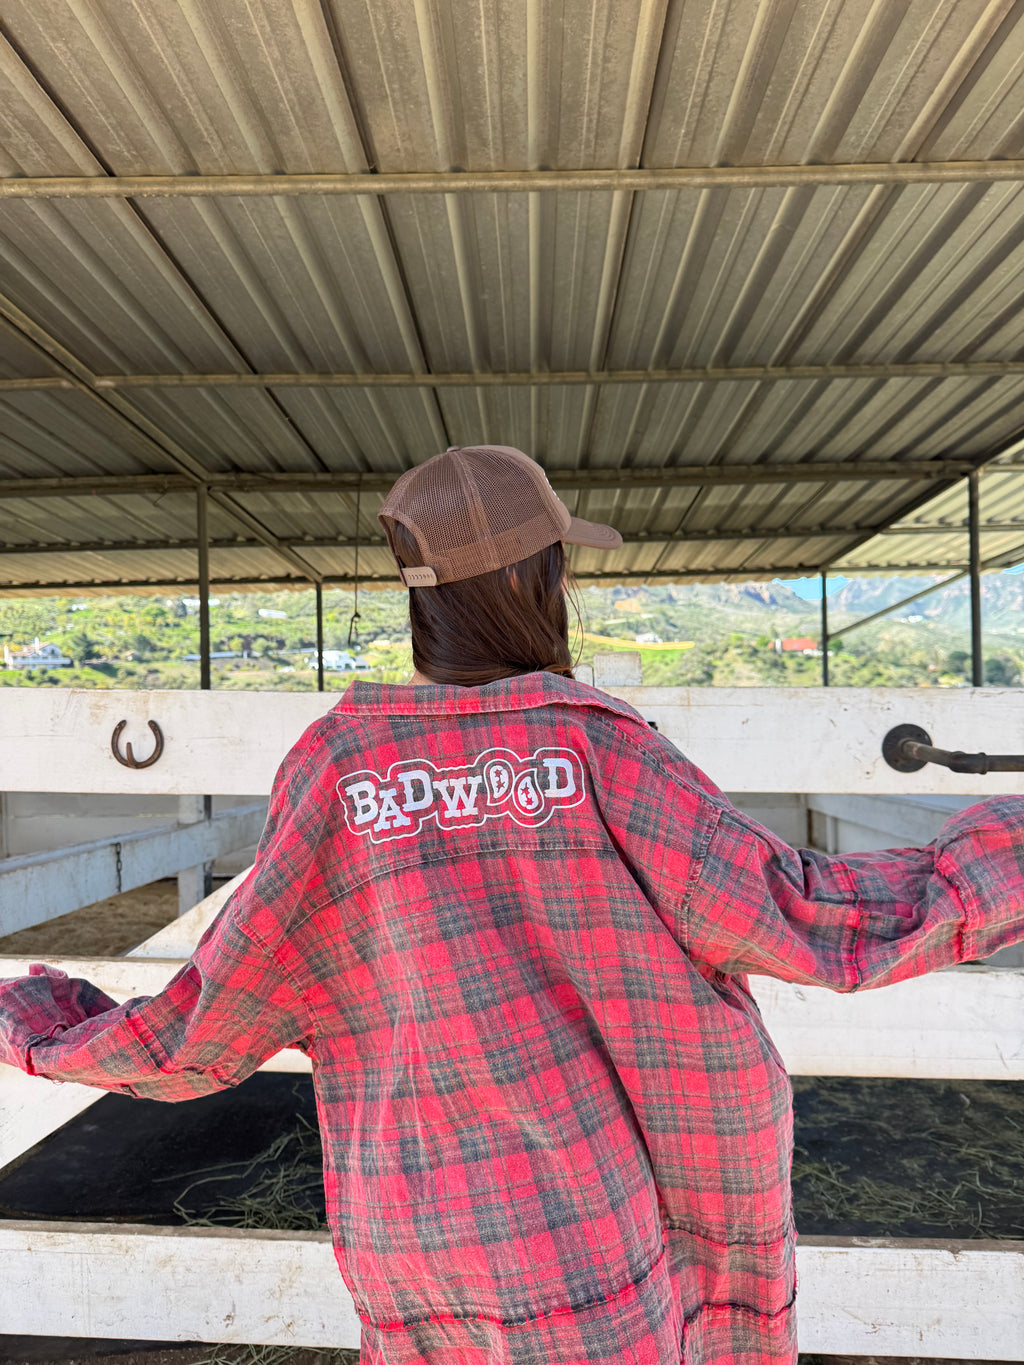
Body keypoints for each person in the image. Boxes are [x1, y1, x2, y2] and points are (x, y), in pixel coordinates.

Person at [1, 444, 1022, 1365]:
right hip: (599, 1237)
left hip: (423, 1248)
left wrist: (46, 1025)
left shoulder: (337, 771)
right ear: (542, 578)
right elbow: (804, 918)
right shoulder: (595, 750)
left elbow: (207, 1026)